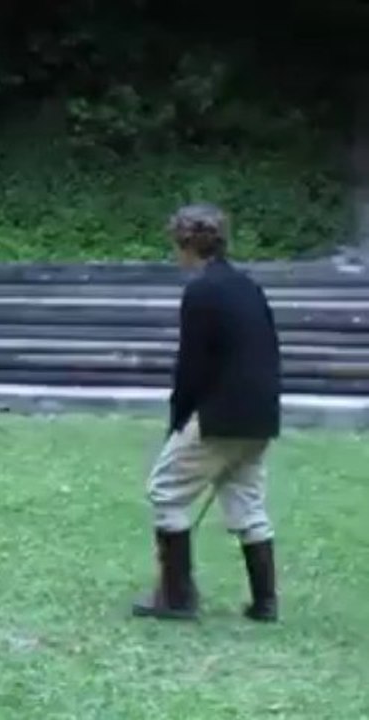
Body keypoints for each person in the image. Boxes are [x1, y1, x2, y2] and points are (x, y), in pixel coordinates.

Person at [132, 203, 282, 622]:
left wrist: (178, 421)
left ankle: (176, 597)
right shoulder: (247, 286)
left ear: (184, 246)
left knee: (166, 490)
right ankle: (265, 602)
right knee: (245, 500)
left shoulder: (201, 292)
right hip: (259, 416)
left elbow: (192, 367)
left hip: (220, 413)